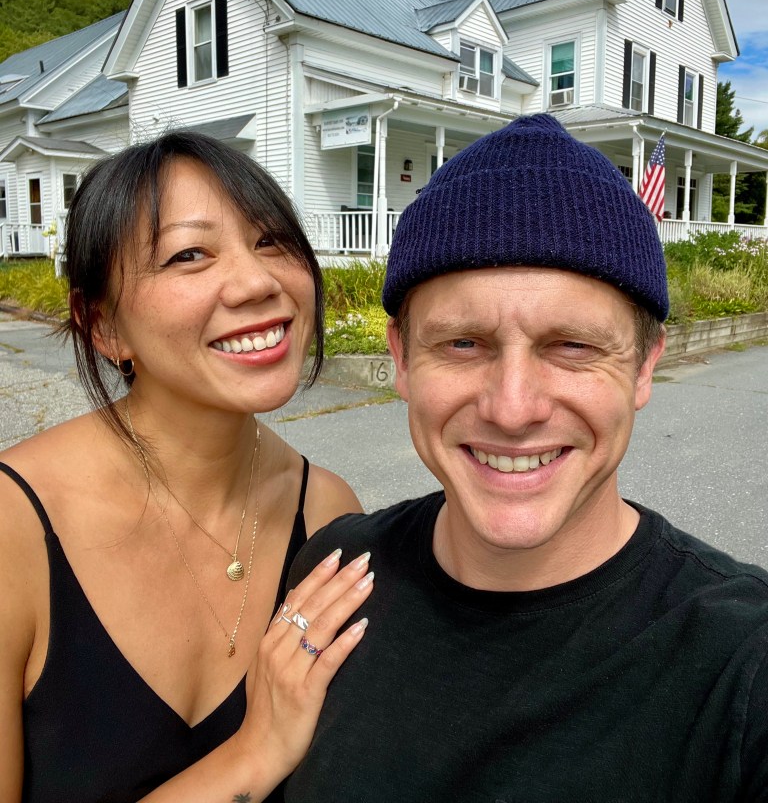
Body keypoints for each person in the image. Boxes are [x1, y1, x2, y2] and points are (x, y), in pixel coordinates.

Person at [283, 113, 768, 802]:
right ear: (400, 357)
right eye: (462, 344)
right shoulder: (331, 580)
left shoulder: (741, 667)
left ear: (643, 367)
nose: (513, 409)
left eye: (572, 346)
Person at [0, 130, 373, 803]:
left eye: (270, 241)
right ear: (102, 325)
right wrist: (254, 754)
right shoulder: (13, 528)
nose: (259, 281)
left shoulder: (327, 513)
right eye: (189, 254)